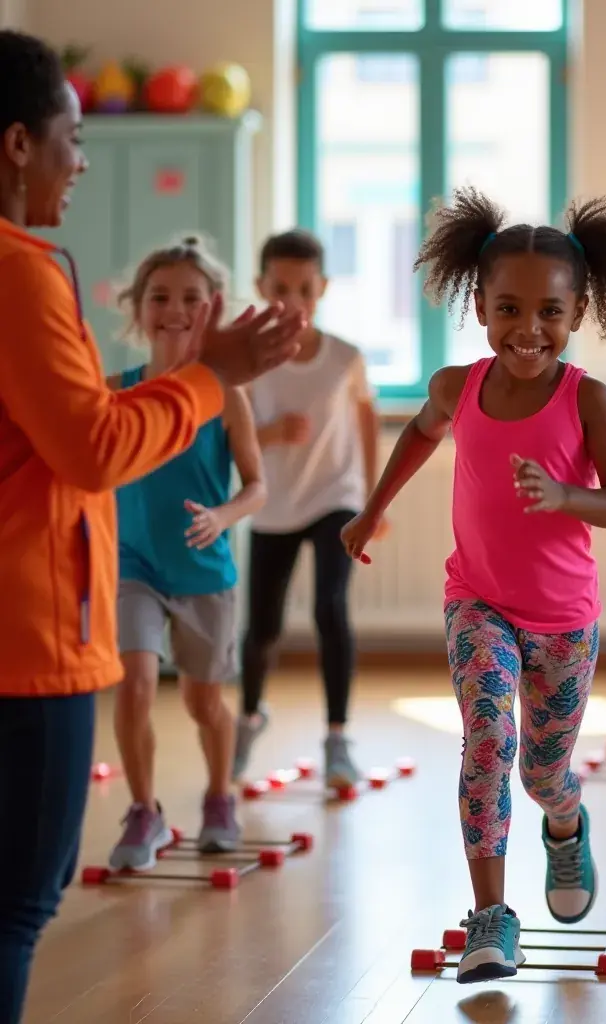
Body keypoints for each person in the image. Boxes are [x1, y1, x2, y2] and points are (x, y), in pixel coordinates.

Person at [0, 29, 303, 1024]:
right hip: (26, 638)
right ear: (17, 144)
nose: (81, 163)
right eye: (71, 138)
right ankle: (148, 806)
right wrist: (212, 376)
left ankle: (208, 794)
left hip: (128, 592)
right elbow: (90, 447)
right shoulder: (22, 273)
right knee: (16, 905)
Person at [341, 187, 606, 984]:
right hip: (477, 603)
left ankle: (565, 822)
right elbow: (418, 432)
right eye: (508, 308)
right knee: (488, 743)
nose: (528, 330)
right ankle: (491, 914)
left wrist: (566, 497)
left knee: (542, 769)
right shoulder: (459, 386)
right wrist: (372, 510)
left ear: (578, 310)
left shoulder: (588, 398)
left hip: (565, 620)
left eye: (549, 312)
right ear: (478, 304)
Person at [106, 237, 267, 870]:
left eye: (191, 299)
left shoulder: (227, 396)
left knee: (203, 702)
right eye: (160, 297)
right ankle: (144, 814)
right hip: (132, 564)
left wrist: (224, 516)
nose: (175, 310)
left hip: (204, 571)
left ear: (213, 310)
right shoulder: (114, 390)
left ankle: (219, 795)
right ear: (137, 308)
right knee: (136, 684)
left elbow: (257, 486)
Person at [233, 229, 382, 788]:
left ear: (321, 288)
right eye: (280, 289)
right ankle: (249, 717)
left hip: (335, 499)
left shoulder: (345, 357)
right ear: (261, 287)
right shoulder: (247, 357)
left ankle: (338, 739)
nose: (293, 301)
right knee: (263, 626)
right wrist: (269, 432)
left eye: (305, 289)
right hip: (273, 502)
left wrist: (372, 498)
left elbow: (366, 419)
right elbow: (233, 427)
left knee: (329, 607)